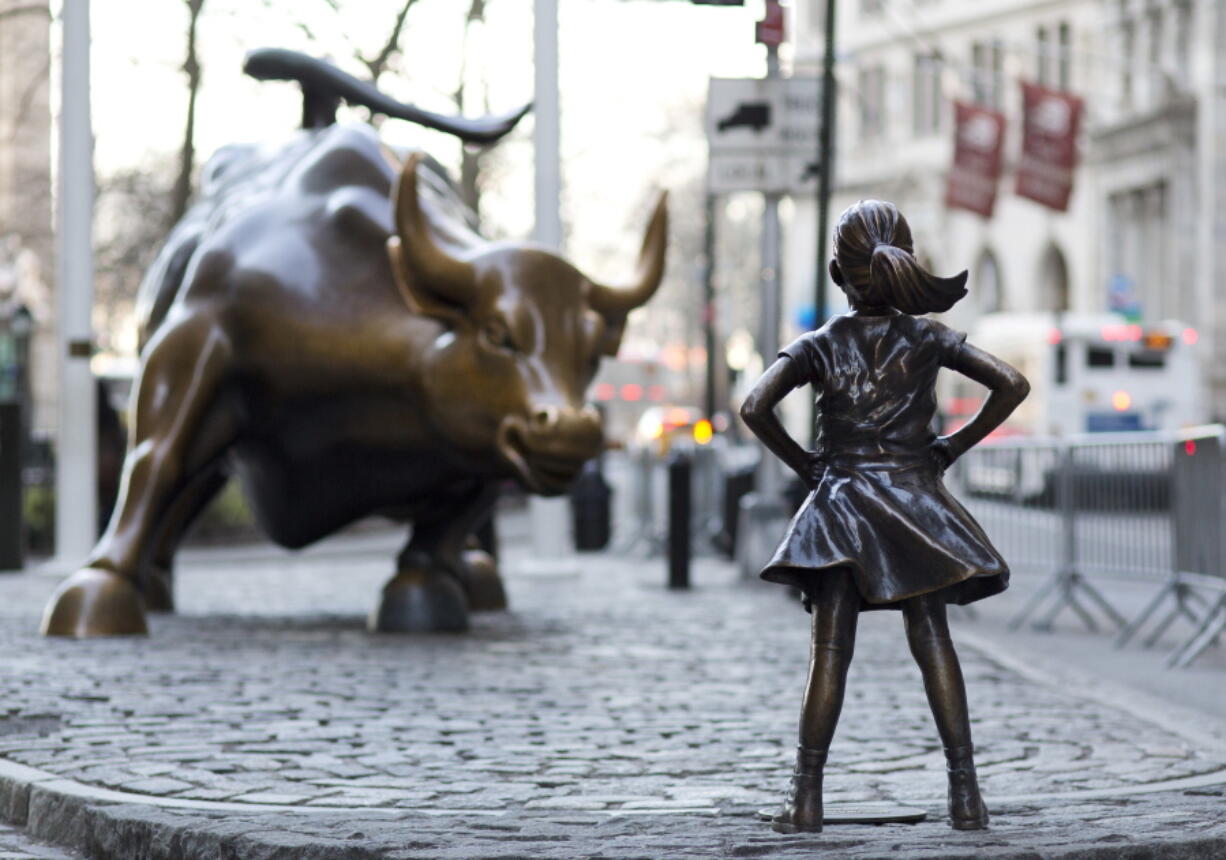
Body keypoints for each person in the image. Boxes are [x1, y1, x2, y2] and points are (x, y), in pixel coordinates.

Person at [739, 200, 1029, 834]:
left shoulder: (819, 344)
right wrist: (949, 447)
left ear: (838, 275)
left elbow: (755, 407)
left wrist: (807, 465)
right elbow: (1011, 383)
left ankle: (806, 797)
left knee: (831, 651)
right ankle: (966, 796)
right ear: (901, 264)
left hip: (840, 505)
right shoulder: (926, 337)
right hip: (913, 502)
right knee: (932, 641)